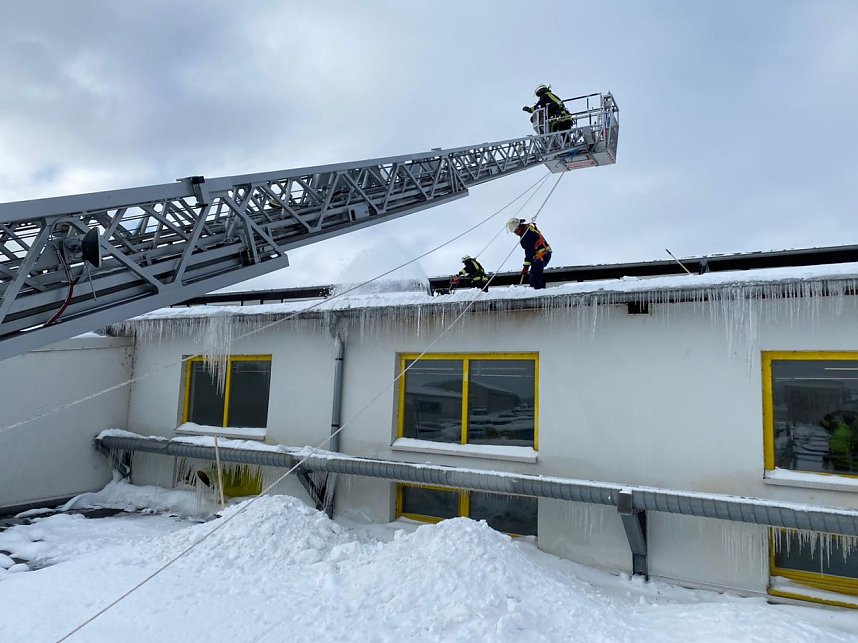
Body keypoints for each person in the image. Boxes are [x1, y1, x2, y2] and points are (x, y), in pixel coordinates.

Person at [507, 218, 552, 289]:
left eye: (515, 231)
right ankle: (537, 288)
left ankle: (536, 291)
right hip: (540, 254)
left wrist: (526, 267)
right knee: (535, 273)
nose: (515, 233)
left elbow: (529, 251)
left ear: (518, 227)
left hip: (543, 254)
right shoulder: (525, 229)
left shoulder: (527, 235)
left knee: (534, 274)